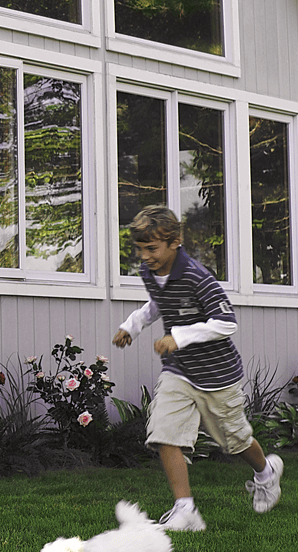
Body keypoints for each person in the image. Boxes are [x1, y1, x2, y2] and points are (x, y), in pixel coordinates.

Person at [112, 205, 283, 531]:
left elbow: (226, 323)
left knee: (236, 441)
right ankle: (185, 510)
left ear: (175, 241)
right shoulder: (150, 273)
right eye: (141, 249)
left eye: (152, 248)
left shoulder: (196, 276)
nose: (145, 256)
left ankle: (266, 472)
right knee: (164, 432)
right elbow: (156, 305)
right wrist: (131, 326)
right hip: (178, 371)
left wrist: (179, 336)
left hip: (217, 375)